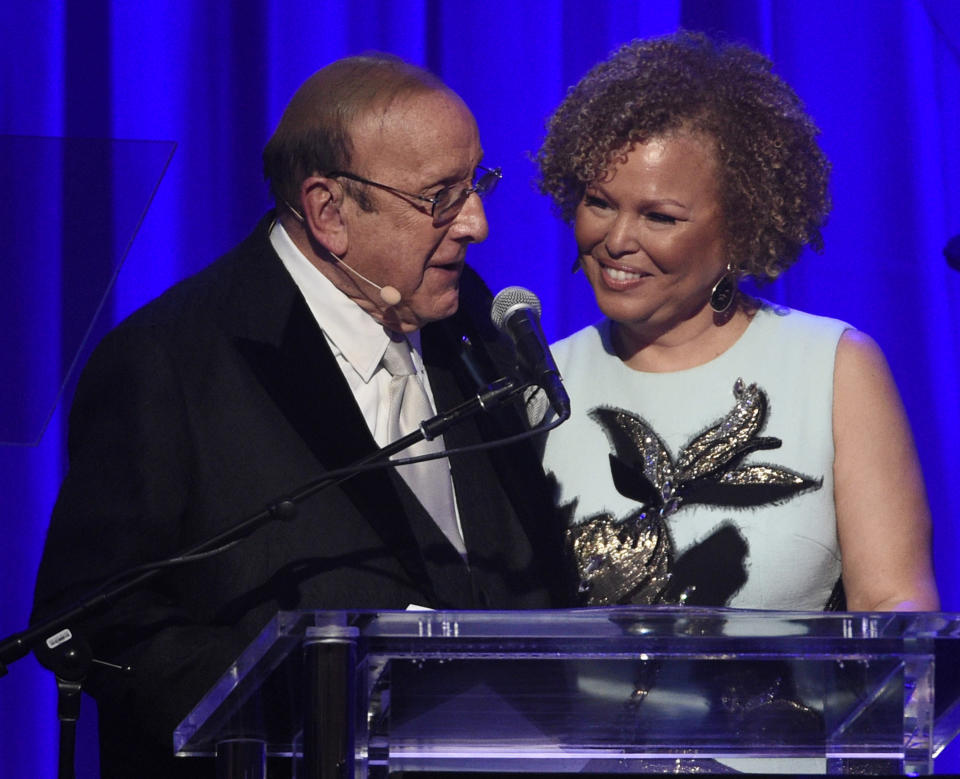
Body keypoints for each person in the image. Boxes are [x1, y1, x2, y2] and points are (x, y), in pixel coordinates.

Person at [32, 55, 566, 778]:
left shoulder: (471, 318)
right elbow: (91, 614)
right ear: (328, 212)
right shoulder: (169, 362)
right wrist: (304, 702)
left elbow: (519, 573)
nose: (476, 223)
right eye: (441, 196)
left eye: (477, 184)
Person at [536, 32, 939, 613]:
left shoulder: (833, 368)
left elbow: (894, 603)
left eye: (660, 216)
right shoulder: (542, 385)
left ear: (740, 231)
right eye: (600, 203)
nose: (617, 240)